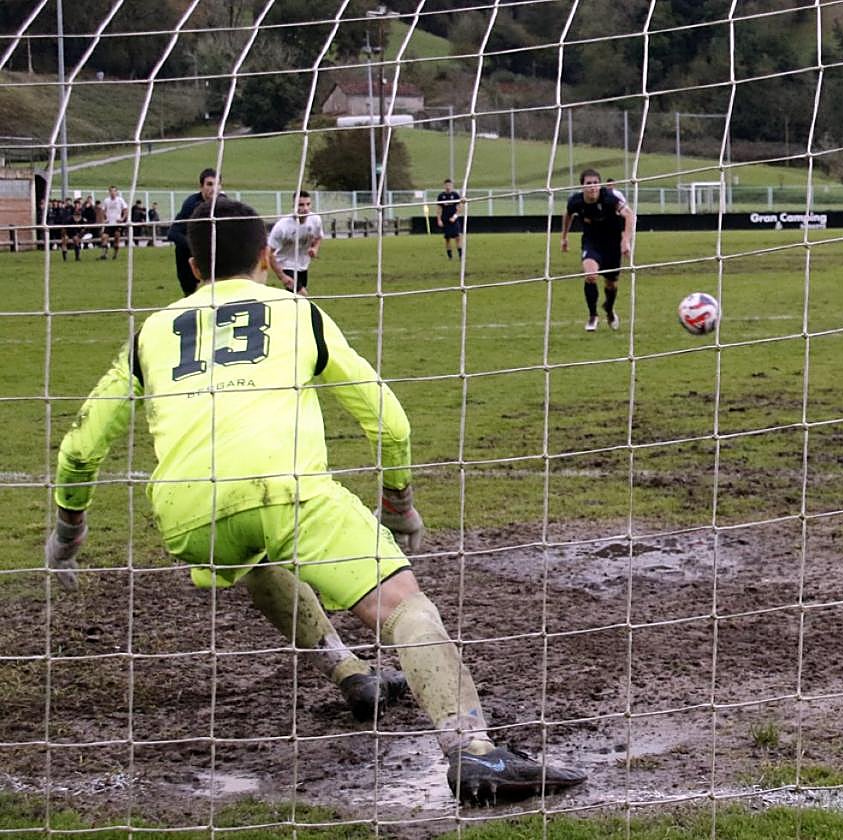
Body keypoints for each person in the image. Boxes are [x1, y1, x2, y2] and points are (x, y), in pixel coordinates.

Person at [42, 197, 586, 804]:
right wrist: (398, 501)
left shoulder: (149, 333)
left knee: (257, 555)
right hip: (288, 492)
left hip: (189, 514)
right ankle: (474, 753)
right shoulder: (299, 314)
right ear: (268, 257)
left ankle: (351, 674)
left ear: (192, 268)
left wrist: (68, 530)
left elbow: (81, 447)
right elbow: (390, 421)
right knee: (402, 606)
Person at [560, 169, 635, 332]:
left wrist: (625, 240)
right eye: (588, 183)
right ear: (582, 186)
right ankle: (593, 316)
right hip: (591, 242)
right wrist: (564, 237)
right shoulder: (576, 201)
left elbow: (629, 215)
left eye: (595, 183)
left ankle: (609, 310)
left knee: (611, 284)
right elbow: (567, 214)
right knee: (590, 276)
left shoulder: (609, 199)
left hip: (612, 243)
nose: (593, 187)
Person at [167, 168, 221, 296]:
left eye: (217, 184)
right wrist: (196, 248)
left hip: (213, 252)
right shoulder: (191, 204)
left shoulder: (224, 203)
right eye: (209, 184)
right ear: (201, 186)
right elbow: (173, 233)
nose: (213, 188)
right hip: (187, 253)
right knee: (190, 293)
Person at [267, 190, 324, 296]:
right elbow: (269, 252)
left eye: (308, 204)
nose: (305, 208)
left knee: (295, 299)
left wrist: (315, 248)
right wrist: (282, 276)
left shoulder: (315, 219)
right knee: (302, 295)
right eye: (301, 205)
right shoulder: (282, 226)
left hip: (303, 265)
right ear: (294, 205)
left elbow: (318, 237)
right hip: (285, 265)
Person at [98, 185, 129, 259]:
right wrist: (104, 219)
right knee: (104, 237)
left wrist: (122, 218)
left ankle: (115, 255)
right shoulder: (106, 200)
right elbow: (102, 211)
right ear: (109, 192)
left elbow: (126, 209)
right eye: (111, 191)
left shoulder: (120, 200)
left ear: (116, 192)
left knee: (116, 238)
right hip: (109, 223)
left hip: (117, 223)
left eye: (114, 191)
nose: (112, 193)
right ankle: (104, 254)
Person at [435, 178, 463, 260]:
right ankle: (450, 256)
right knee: (447, 239)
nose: (448, 186)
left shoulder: (455, 195)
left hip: (453, 219)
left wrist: (455, 217)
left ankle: (460, 255)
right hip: (445, 219)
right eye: (446, 185)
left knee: (457, 237)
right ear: (444, 186)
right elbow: (439, 208)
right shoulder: (441, 196)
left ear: (452, 186)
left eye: (449, 185)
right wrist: (439, 219)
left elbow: (460, 207)